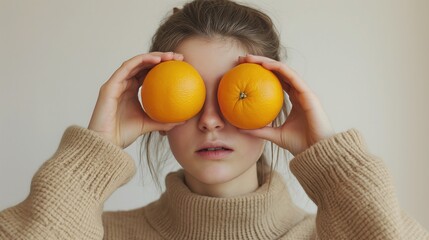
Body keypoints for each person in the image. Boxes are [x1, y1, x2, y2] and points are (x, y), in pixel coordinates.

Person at [0, 0, 428, 239]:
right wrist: (92, 156)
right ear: (148, 104)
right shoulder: (97, 234)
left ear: (280, 102)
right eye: (186, 97)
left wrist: (332, 165)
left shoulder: (337, 236)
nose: (209, 121)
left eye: (232, 95)